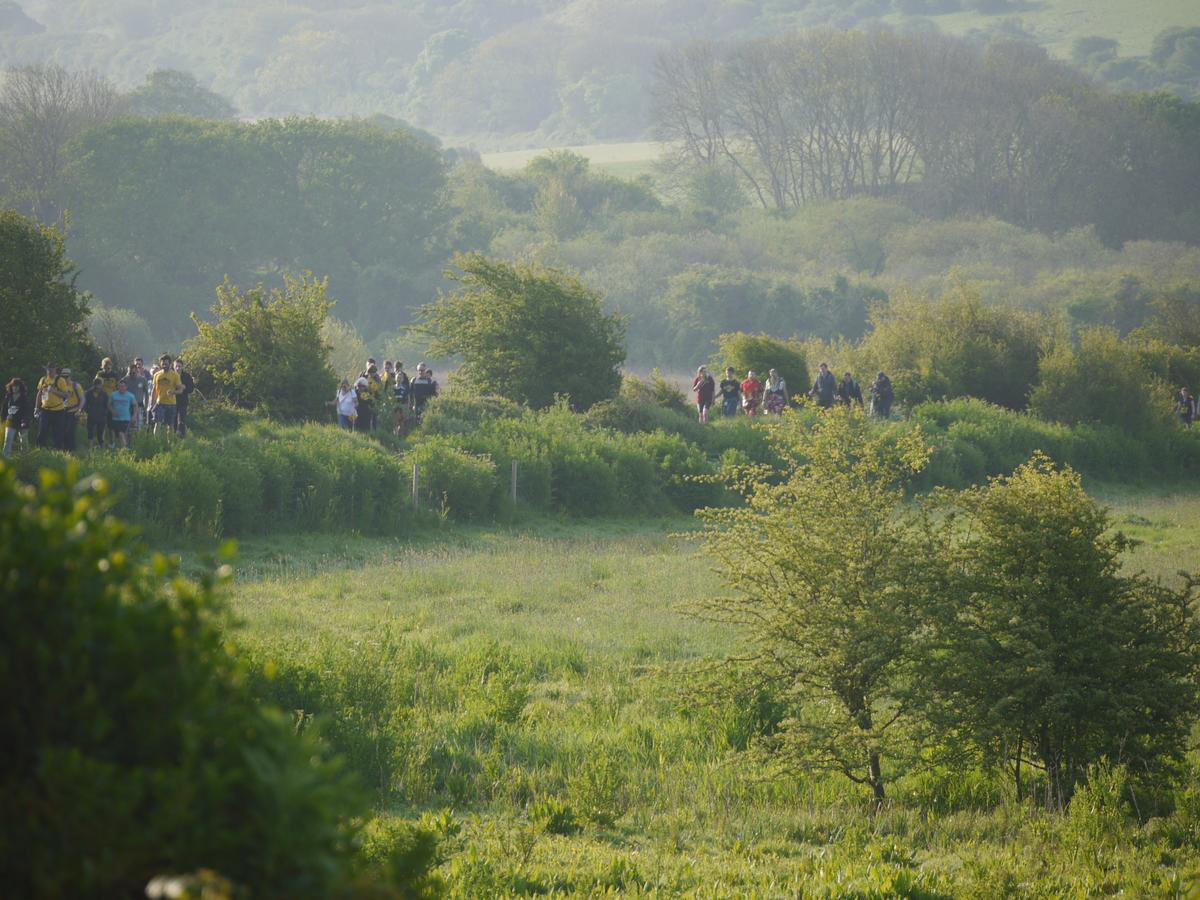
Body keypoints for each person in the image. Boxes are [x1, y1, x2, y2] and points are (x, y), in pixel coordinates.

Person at [35, 363, 71, 449]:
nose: (50, 371)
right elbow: (39, 394)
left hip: (58, 410)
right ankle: (40, 449)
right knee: (42, 430)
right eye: (48, 369)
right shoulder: (43, 380)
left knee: (58, 432)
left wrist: (54, 391)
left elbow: (66, 395)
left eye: (52, 369)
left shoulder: (60, 380)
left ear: (55, 370)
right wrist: (36, 407)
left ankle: (58, 450)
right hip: (45, 409)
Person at [152, 353, 183, 435]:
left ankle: (170, 444)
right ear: (160, 364)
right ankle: (156, 443)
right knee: (157, 424)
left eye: (166, 363)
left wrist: (173, 392)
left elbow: (180, 390)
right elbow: (154, 390)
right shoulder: (156, 375)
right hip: (160, 403)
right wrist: (152, 404)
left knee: (170, 425)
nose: (164, 365)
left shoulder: (175, 375)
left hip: (171, 404)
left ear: (170, 364)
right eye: (162, 364)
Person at [2, 377, 33, 458]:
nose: (15, 387)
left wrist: (24, 421)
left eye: (17, 386)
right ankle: (5, 458)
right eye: (13, 386)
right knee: (8, 440)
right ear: (11, 387)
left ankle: (25, 458)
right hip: (11, 421)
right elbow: (4, 409)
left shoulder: (24, 397)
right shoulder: (8, 396)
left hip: (22, 422)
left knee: (24, 442)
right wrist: (2, 419)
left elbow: (27, 410)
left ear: (20, 387)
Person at [60, 367, 85, 452]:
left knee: (69, 431)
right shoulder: (59, 386)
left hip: (73, 411)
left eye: (67, 376)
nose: (65, 378)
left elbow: (82, 399)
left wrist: (79, 410)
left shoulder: (75, 386)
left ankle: (71, 450)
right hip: (61, 411)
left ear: (70, 376)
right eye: (63, 377)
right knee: (61, 431)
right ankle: (63, 450)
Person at [107, 378, 136, 449]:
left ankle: (125, 448)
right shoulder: (113, 394)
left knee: (121, 433)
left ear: (126, 387)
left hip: (126, 418)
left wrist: (134, 416)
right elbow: (109, 404)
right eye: (120, 386)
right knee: (118, 436)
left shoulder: (130, 396)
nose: (121, 388)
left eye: (123, 386)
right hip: (115, 418)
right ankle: (121, 449)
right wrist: (112, 411)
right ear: (117, 387)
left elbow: (135, 405)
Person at [83, 377, 109, 451]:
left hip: (101, 416)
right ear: (94, 385)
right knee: (90, 433)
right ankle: (90, 450)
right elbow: (85, 404)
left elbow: (107, 405)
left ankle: (103, 450)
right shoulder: (88, 393)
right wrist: (87, 411)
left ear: (101, 385)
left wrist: (105, 414)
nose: (97, 387)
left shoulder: (104, 394)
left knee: (100, 434)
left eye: (99, 385)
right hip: (91, 416)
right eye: (96, 385)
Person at [125, 360, 149, 432]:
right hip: (127, 406)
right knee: (127, 426)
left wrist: (146, 406)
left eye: (134, 373)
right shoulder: (125, 379)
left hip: (139, 405)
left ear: (137, 371)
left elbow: (146, 394)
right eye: (130, 373)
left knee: (138, 426)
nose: (132, 374)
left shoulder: (143, 380)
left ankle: (137, 441)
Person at [173, 358, 195, 436]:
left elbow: (191, 388)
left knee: (181, 420)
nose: (178, 368)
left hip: (183, 401)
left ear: (182, 367)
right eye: (176, 366)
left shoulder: (186, 376)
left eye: (179, 366)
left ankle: (182, 438)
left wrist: (184, 387)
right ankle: (173, 437)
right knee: (173, 420)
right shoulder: (171, 375)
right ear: (173, 366)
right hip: (172, 401)